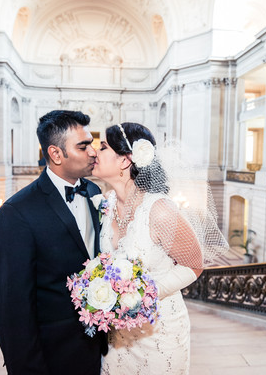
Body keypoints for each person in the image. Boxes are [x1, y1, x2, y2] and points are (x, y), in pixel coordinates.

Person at [92, 122, 228, 374]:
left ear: (125, 160)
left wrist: (144, 295)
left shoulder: (160, 210)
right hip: (117, 334)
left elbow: (194, 265)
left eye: (102, 146)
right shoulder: (104, 205)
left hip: (159, 331)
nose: (94, 152)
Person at [0, 110, 107, 374]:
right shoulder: (17, 212)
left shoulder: (93, 191)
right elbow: (11, 306)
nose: (93, 152)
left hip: (97, 350)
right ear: (55, 154)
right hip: (51, 356)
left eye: (93, 143)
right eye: (84, 146)